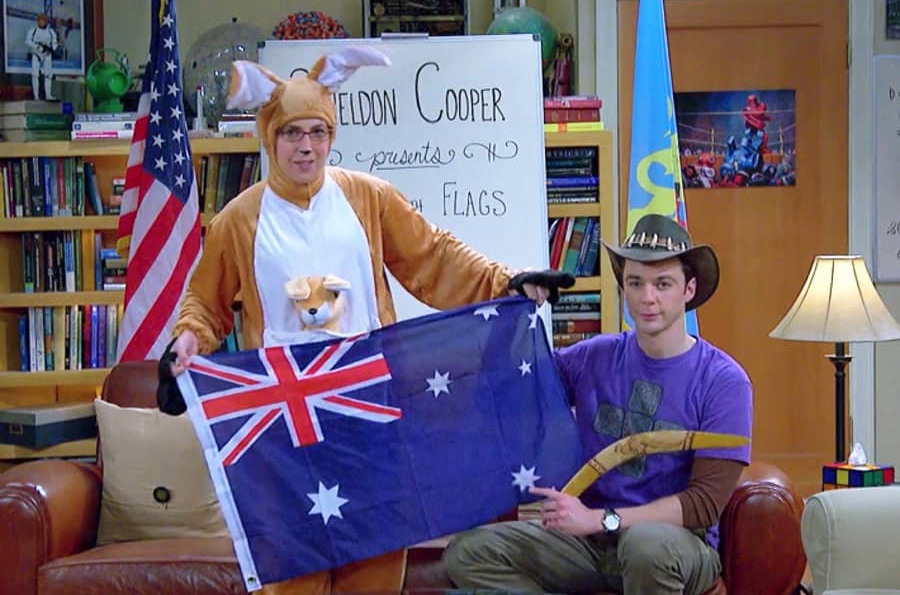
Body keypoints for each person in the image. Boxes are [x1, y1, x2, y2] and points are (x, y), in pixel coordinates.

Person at [165, 45, 570, 595]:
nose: (306, 146)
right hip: (285, 422)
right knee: (294, 569)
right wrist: (187, 342)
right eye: (291, 133)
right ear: (269, 136)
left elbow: (434, 258)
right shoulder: (239, 219)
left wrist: (505, 283)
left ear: (331, 135)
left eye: (317, 132)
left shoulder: (369, 197)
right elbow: (205, 304)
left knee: (376, 562)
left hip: (371, 406)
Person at [443, 213, 753, 595]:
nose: (647, 297)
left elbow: (703, 504)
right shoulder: (593, 356)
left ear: (689, 290)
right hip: (588, 545)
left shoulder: (724, 381)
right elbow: (511, 392)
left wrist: (601, 520)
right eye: (635, 283)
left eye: (663, 284)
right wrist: (511, 309)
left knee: (645, 545)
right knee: (470, 552)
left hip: (673, 544)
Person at [25, 13, 57, 100]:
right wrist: (38, 47)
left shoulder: (51, 32)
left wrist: (52, 49)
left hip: (47, 55)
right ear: (38, 21)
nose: (42, 22)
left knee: (48, 75)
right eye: (40, 20)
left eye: (43, 20)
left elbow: (54, 43)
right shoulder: (33, 31)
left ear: (46, 21)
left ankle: (48, 95)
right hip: (36, 54)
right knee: (35, 75)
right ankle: (36, 96)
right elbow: (27, 41)